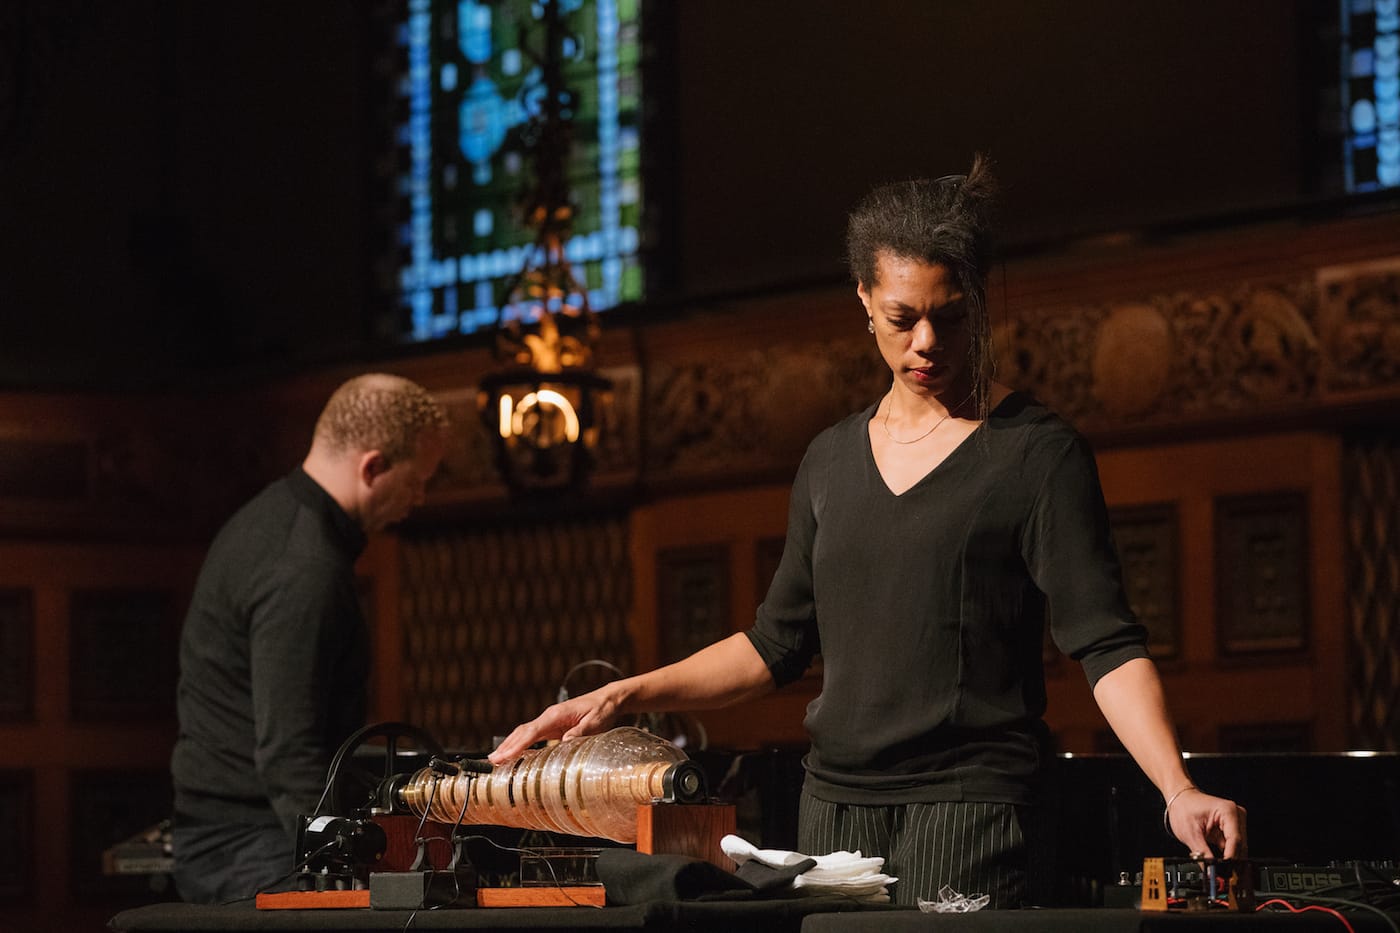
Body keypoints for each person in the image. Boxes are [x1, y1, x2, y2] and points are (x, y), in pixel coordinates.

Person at [489, 158, 1246, 908]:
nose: (926, 342)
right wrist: (628, 691)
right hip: (833, 810)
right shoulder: (828, 461)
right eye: (901, 318)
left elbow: (1106, 642)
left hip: (972, 807)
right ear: (864, 299)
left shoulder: (1036, 454)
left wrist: (1177, 787)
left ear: (977, 303)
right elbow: (774, 644)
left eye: (949, 317)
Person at [170, 373, 448, 904]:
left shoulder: (272, 519)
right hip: (251, 846)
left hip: (238, 837)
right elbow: (288, 751)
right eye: (418, 480)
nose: (421, 496)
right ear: (373, 467)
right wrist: (348, 864)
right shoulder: (304, 567)